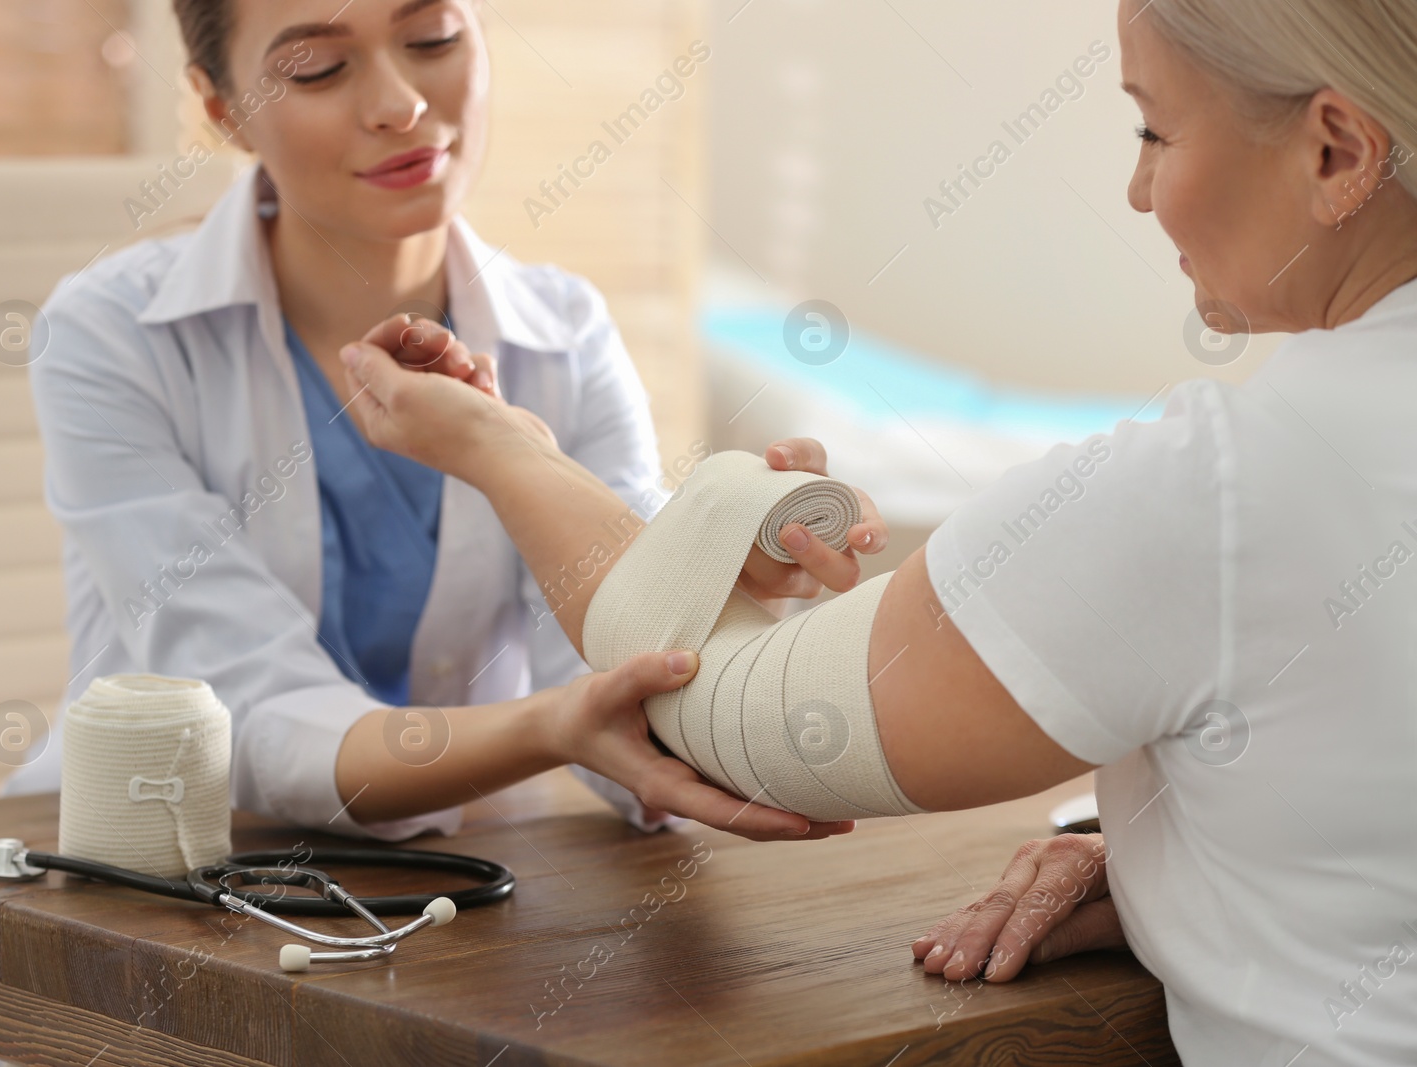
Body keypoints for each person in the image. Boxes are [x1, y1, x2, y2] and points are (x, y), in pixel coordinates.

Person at [329, 1, 1417, 1063]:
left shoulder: (1211, 489)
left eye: (1152, 128)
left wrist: (501, 450)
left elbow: (721, 710)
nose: (1136, 190)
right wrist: (1150, 854)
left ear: (1334, 151)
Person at [2, 0, 852, 845]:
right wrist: (551, 727)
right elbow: (239, 718)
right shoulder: (113, 333)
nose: (401, 104)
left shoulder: (565, 331)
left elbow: (632, 683)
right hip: (146, 870)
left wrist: (713, 593)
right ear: (225, 111)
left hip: (462, 884)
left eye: (433, 39)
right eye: (318, 69)